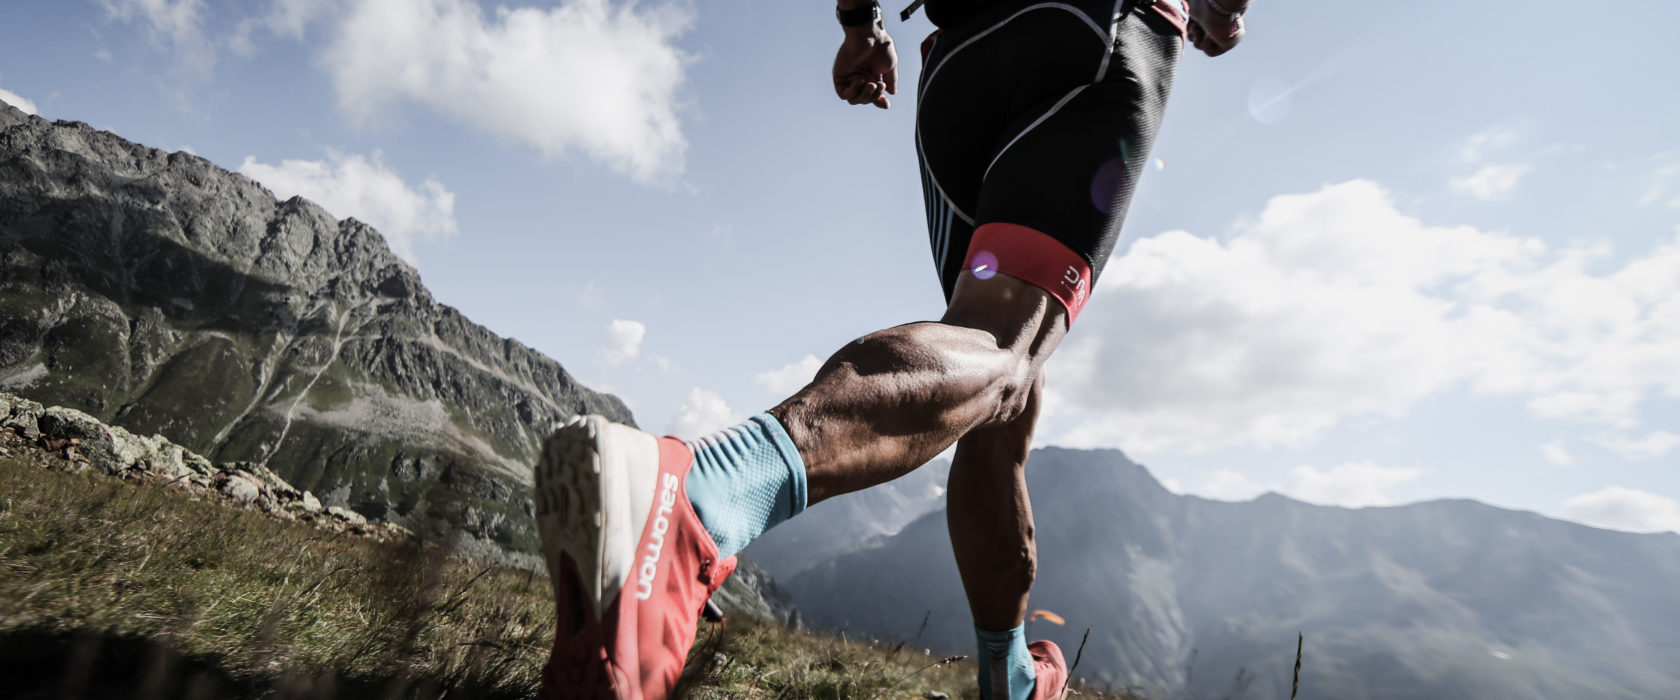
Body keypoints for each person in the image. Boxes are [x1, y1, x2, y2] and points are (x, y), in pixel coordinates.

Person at [535, 0, 1248, 697]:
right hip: (1089, 29)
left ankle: (1013, 679)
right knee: (1002, 349)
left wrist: (859, 26)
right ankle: (699, 499)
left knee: (992, 384)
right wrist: (1224, 12)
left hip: (960, 66)